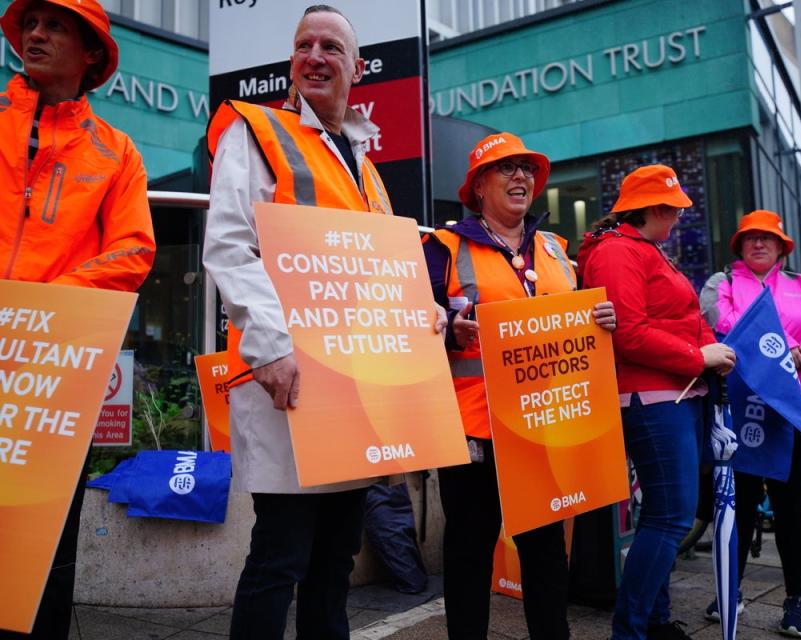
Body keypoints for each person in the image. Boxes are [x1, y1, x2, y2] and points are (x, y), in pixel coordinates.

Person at [203, 6, 442, 640]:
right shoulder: (254, 131)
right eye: (304, 44)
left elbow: (386, 274)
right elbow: (230, 245)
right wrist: (272, 348)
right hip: (291, 383)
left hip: (351, 395)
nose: (314, 55)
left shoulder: (363, 164)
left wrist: (431, 317)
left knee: (335, 563)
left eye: (331, 47)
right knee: (279, 559)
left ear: (357, 69)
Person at [0, 1, 155, 637]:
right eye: (29, 23)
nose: (35, 34)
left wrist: (41, 307)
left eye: (54, 25)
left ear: (91, 52)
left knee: (44, 547)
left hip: (50, 367)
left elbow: (134, 252)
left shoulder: (116, 152)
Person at [422, 131, 616, 640]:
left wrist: (601, 316)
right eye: (507, 168)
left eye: (527, 169)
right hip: (474, 426)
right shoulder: (443, 245)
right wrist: (445, 324)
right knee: (468, 548)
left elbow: (573, 321)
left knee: (546, 548)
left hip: (544, 423)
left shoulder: (554, 247)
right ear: (478, 187)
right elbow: (410, 318)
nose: (521, 178)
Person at [576, 165, 736, 640]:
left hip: (673, 392)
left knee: (663, 517)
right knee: (670, 518)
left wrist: (712, 353)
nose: (679, 218)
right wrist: (698, 355)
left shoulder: (640, 249)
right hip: (653, 396)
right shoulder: (618, 251)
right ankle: (632, 630)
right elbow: (629, 332)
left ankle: (654, 621)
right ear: (656, 208)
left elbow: (680, 317)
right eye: (675, 209)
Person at [699, 210, 801, 638]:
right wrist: (776, 346)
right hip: (743, 401)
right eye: (751, 239)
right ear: (740, 246)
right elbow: (720, 325)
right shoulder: (722, 283)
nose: (759, 244)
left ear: (783, 245)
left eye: (768, 238)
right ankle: (732, 591)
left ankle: (796, 602)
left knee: (791, 508)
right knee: (738, 503)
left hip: (798, 404)